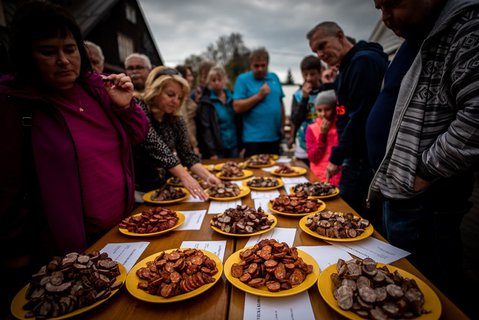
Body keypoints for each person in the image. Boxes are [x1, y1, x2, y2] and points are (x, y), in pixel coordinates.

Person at [0, 0, 148, 314]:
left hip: (120, 232)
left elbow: (136, 135)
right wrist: (14, 251)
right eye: (47, 51)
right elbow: (6, 184)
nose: (63, 61)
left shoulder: (97, 90)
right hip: (65, 250)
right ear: (25, 55)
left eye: (70, 48)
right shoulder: (14, 104)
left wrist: (126, 106)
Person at [369, 0, 479, 315]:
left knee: (432, 295)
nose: (384, 16)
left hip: (427, 202)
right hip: (400, 193)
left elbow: (476, 117)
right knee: (403, 289)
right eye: (378, 7)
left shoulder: (466, 26)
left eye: (391, 4)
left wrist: (425, 170)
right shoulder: (415, 38)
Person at [307, 21, 388, 216]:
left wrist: (336, 157)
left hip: (363, 158)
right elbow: (343, 110)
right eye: (315, 51)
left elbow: (359, 117)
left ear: (340, 36)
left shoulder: (363, 63)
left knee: (350, 216)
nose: (320, 55)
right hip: (354, 156)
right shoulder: (346, 68)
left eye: (322, 46)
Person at [134, 66, 222, 200]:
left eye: (180, 97)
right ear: (155, 90)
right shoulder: (138, 106)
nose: (176, 101)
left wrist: (208, 176)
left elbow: (187, 154)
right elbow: (152, 142)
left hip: (163, 189)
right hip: (138, 191)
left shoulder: (174, 118)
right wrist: (184, 176)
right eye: (170, 95)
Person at [233, 47, 285, 157]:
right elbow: (236, 107)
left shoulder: (274, 78)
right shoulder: (243, 80)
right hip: (253, 140)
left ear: (268, 64)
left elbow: (280, 103)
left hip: (274, 137)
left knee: (274, 171)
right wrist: (259, 96)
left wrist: (282, 126)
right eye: (256, 66)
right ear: (250, 65)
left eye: (263, 65)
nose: (260, 69)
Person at [290, 55, 334, 166]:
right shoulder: (298, 95)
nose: (309, 78)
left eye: (312, 74)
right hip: (303, 144)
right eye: (305, 75)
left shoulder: (327, 91)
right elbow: (295, 120)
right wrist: (305, 98)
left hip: (325, 141)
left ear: (320, 72)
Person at [197, 65, 242, 159]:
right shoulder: (206, 102)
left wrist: (242, 146)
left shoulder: (233, 98)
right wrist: (212, 153)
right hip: (218, 149)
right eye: (213, 80)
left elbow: (240, 122)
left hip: (234, 146)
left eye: (219, 79)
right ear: (209, 82)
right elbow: (206, 130)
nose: (217, 82)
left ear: (224, 80)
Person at [306, 90, 341, 186]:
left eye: (327, 109)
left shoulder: (340, 127)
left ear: (334, 109)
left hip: (338, 179)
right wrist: (323, 135)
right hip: (318, 179)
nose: (323, 114)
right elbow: (314, 158)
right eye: (319, 110)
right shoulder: (311, 129)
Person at [175, 64, 200, 155]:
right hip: (188, 145)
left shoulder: (188, 96)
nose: (192, 78)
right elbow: (185, 122)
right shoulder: (181, 98)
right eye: (189, 75)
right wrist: (194, 145)